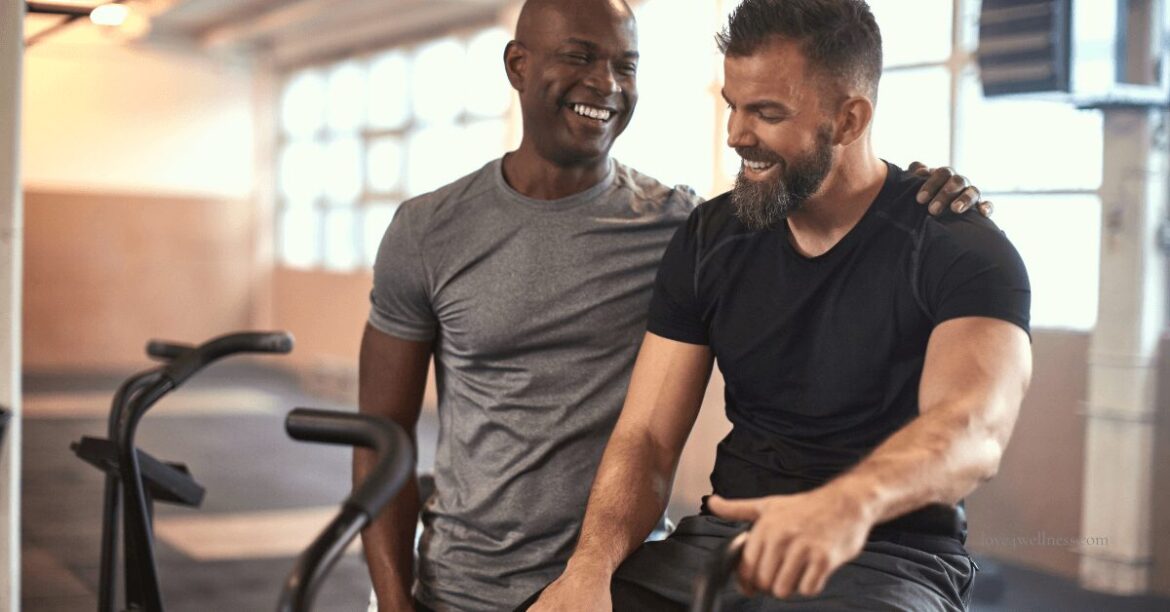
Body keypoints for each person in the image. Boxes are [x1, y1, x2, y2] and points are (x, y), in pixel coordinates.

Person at [355, 0, 988, 610]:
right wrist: (392, 600)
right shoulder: (427, 231)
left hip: (620, 568)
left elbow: (813, 181)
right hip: (463, 583)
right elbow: (383, 436)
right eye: (579, 57)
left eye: (625, 66)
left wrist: (927, 196)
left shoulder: (679, 224)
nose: (604, 83)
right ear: (518, 65)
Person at [529, 1, 1032, 611]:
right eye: (733, 106)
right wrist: (589, 569)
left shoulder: (958, 246)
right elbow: (647, 439)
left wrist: (848, 503)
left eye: (767, 113)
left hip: (889, 561)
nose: (737, 134)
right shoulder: (710, 237)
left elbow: (972, 430)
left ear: (849, 119)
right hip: (723, 545)